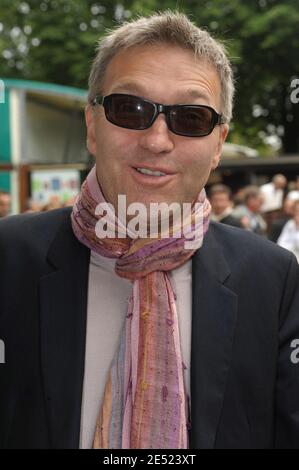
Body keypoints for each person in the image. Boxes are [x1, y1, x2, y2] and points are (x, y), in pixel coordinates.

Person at [0, 11, 299, 450]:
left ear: (218, 144)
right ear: (92, 126)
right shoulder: (8, 259)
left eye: (192, 118)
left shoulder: (274, 279)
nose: (157, 140)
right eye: (130, 109)